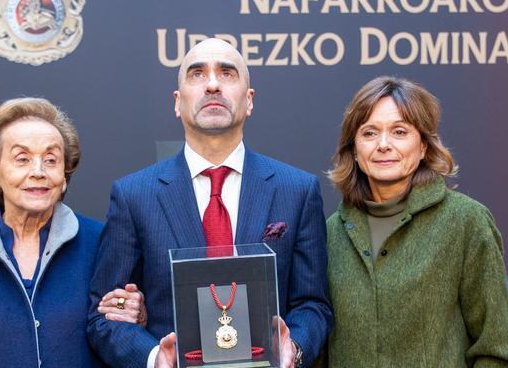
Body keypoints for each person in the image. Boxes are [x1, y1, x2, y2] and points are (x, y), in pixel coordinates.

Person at [88, 38, 333, 368]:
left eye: (227, 73)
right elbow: (105, 316)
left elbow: (313, 305)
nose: (213, 84)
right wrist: (155, 357)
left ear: (249, 100)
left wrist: (295, 347)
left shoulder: (298, 190)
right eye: (198, 74)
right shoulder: (133, 196)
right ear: (178, 102)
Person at [0, 98, 143, 367]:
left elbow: (118, 324)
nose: (38, 172)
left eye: (51, 159)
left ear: (64, 175)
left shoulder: (102, 242)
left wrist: (135, 313)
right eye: (22, 159)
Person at [323, 77, 508, 367]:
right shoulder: (332, 232)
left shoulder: (466, 221)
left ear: (423, 147)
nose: (383, 145)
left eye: (399, 131)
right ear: (354, 149)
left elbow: (497, 350)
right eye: (369, 133)